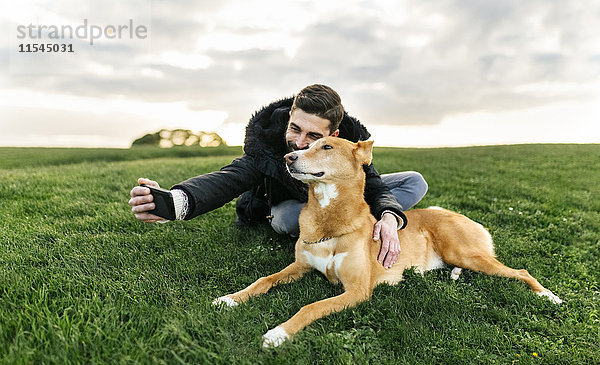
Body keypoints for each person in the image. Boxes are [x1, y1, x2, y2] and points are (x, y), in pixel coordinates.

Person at [129, 84, 428, 269]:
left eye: (313, 136)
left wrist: (388, 216)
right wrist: (176, 202)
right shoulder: (268, 142)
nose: (299, 143)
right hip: (287, 203)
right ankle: (337, 224)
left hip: (336, 196)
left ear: (333, 135)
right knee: (289, 218)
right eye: (296, 128)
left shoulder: (348, 145)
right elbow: (230, 177)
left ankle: (357, 221)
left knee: (414, 181)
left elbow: (372, 183)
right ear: (289, 118)